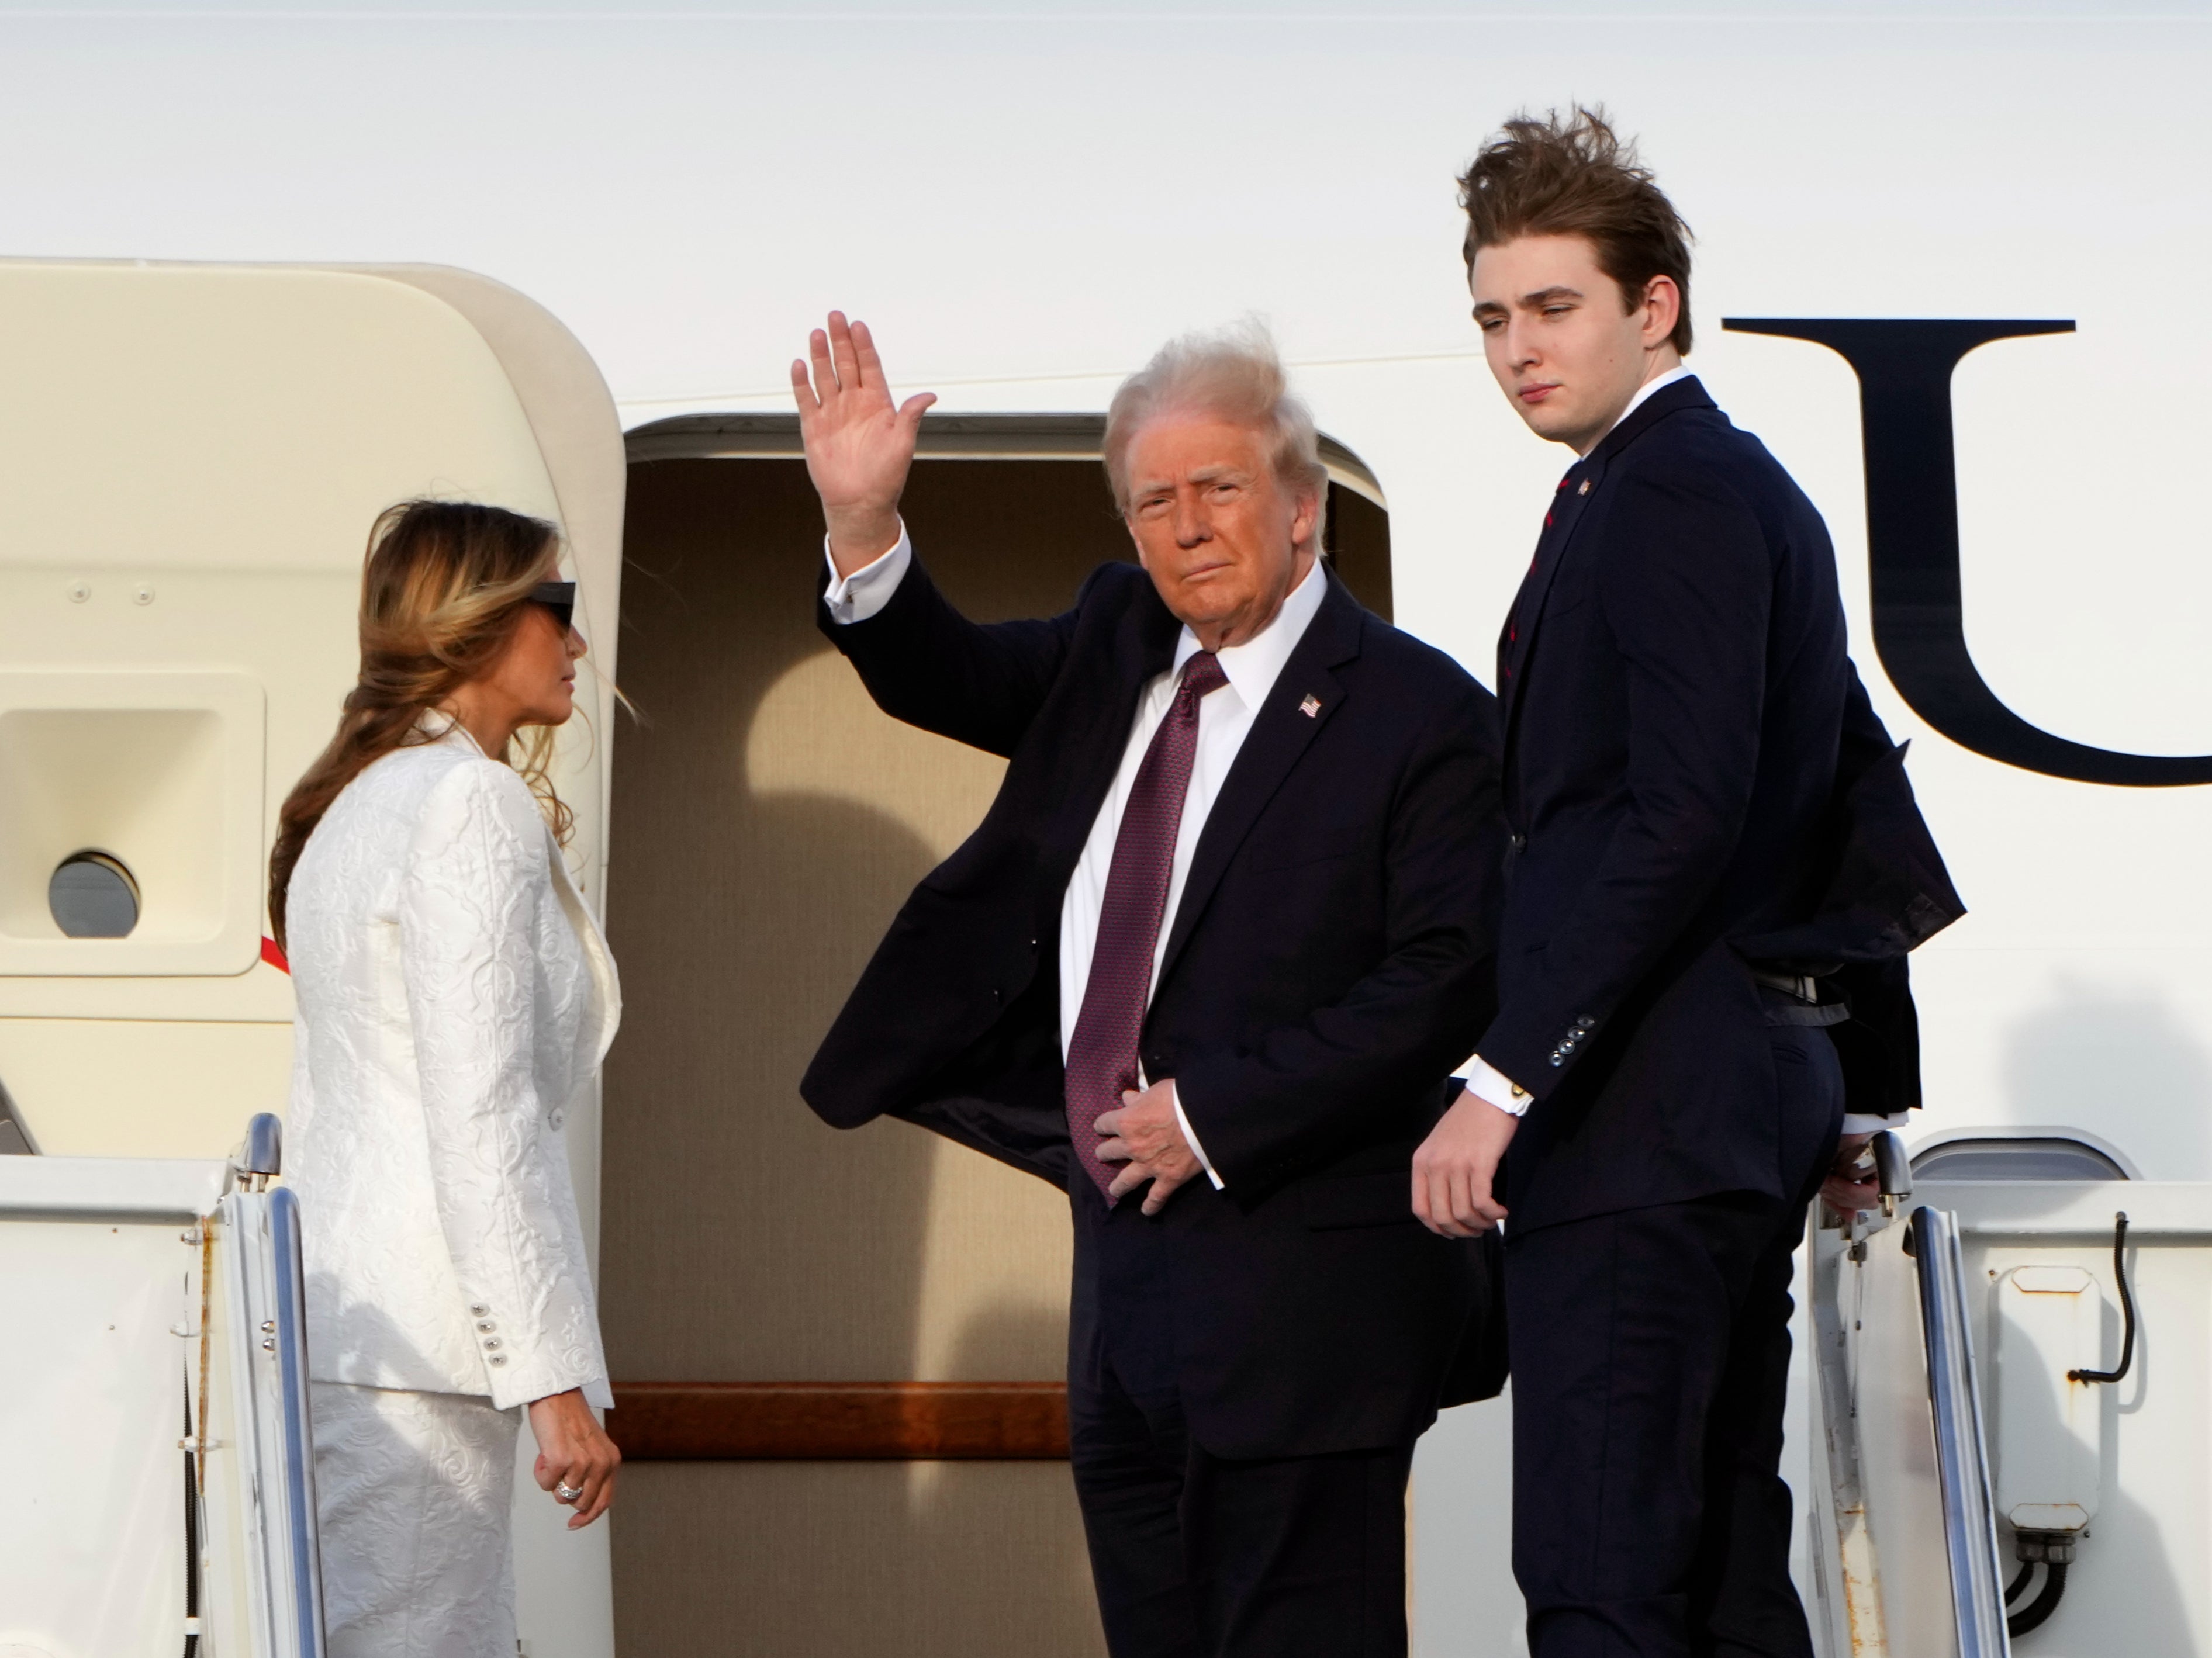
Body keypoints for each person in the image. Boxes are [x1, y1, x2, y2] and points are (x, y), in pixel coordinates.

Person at [792, 314, 1505, 1658]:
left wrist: (1214, 1114)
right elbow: (936, 669)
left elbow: (1446, 978)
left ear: (1301, 508)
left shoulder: (1417, 712)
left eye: (1218, 488)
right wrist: (862, 525)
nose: (1185, 527)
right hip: (1124, 1298)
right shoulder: (1116, 644)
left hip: (1307, 1305)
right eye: (1152, 502)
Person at [1411, 110, 1961, 1657]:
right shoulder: (1721, 488)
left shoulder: (1669, 490)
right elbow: (1852, 774)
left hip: (1644, 1109)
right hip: (1729, 1097)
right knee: (1714, 1563)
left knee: (1605, 1575)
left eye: (1554, 306)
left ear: (1654, 305)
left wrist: (1505, 1074)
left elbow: (1687, 813)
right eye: (1494, 318)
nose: (1519, 348)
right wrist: (1858, 1085)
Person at [272, 500, 623, 1658]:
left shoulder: (358, 800)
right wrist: (553, 1379)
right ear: (476, 621)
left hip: (340, 1327)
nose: (577, 643)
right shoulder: (469, 802)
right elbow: (481, 1115)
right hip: (422, 1354)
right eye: (556, 609)